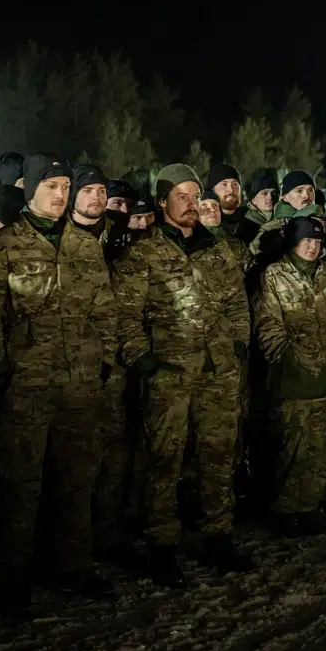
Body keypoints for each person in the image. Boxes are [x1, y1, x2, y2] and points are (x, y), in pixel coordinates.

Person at [0, 155, 118, 608]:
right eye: (51, 185)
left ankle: (74, 566)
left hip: (81, 383)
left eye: (66, 186)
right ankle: (15, 575)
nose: (60, 194)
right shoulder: (4, 245)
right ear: (30, 190)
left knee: (78, 477)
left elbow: (106, 308)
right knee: (21, 483)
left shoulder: (85, 245)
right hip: (25, 386)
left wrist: (105, 357)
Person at [114, 165, 254, 586]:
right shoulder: (143, 254)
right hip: (169, 374)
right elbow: (125, 317)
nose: (191, 203)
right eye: (182, 196)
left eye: (196, 195)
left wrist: (237, 345)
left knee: (218, 454)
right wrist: (144, 361)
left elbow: (236, 304)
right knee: (164, 460)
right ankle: (162, 545)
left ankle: (218, 536)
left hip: (219, 371)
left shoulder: (218, 250)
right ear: (162, 201)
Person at [253, 217, 326, 537]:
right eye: (306, 240)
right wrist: (286, 358)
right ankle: (284, 509)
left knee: (320, 447)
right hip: (291, 378)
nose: (312, 246)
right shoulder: (274, 276)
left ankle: (309, 507)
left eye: (318, 241)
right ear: (293, 241)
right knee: (292, 448)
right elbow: (267, 326)